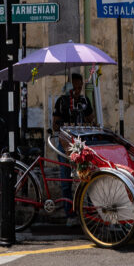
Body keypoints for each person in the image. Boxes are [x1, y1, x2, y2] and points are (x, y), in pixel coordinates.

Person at [53, 73, 94, 226]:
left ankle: (89, 211)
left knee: (87, 176)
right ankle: (69, 213)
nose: (78, 90)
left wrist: (85, 119)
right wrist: (64, 124)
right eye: (75, 87)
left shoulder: (85, 101)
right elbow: (55, 124)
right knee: (66, 180)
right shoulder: (61, 102)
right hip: (65, 143)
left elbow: (91, 118)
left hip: (82, 143)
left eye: (80, 87)